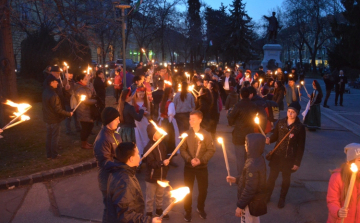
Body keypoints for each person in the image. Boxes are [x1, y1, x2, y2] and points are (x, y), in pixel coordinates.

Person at [106, 142, 162, 223]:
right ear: (131, 159)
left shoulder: (119, 171)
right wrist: (150, 221)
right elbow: (125, 216)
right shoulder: (125, 181)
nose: (140, 156)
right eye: (138, 154)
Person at [265, 102, 306, 208]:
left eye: (293, 112)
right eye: (289, 111)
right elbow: (275, 136)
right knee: (271, 178)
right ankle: (267, 196)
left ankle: (282, 198)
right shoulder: (281, 122)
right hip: (277, 155)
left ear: (297, 113)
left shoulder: (299, 128)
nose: (290, 114)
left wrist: (297, 162)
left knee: (286, 179)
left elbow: (301, 147)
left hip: (289, 157)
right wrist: (269, 139)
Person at [180, 110, 216, 222]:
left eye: (193, 119)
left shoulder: (206, 134)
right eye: (190, 119)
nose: (190, 121)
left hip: (202, 168)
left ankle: (200, 208)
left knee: (203, 190)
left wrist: (201, 160)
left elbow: (211, 150)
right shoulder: (186, 134)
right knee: (187, 190)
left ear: (200, 120)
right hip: (189, 167)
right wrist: (189, 159)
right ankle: (187, 211)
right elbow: (182, 149)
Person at [226, 133, 267, 223]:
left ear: (253, 145)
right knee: (255, 220)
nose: (245, 145)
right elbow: (251, 179)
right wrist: (236, 179)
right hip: (255, 201)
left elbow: (250, 188)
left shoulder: (252, 164)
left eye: (246, 143)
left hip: (249, 203)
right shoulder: (258, 159)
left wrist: (240, 206)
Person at [93, 107, 122, 223]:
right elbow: (105, 162)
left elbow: (119, 152)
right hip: (107, 181)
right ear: (109, 120)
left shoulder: (115, 134)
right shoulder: (103, 139)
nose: (119, 121)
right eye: (116, 119)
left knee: (116, 208)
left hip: (116, 178)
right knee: (110, 210)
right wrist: (123, 166)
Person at [227, 87, 259, 175]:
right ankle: (249, 175)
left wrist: (229, 115)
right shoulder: (254, 105)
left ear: (240, 95)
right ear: (249, 95)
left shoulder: (237, 105)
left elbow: (231, 118)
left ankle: (241, 177)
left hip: (239, 135)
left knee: (240, 157)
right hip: (250, 134)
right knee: (249, 157)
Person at [326, 143, 360, 223]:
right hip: (342, 220)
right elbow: (332, 200)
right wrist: (338, 211)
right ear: (349, 162)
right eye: (359, 160)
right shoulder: (337, 177)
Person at [42, 74, 73, 159]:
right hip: (54, 119)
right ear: (51, 83)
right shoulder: (53, 95)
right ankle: (54, 155)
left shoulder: (45, 92)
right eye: (56, 82)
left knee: (49, 136)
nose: (57, 83)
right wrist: (68, 114)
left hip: (47, 118)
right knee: (54, 137)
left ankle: (49, 154)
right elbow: (58, 110)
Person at [144, 125, 170, 219]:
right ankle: (149, 212)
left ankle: (159, 209)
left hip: (161, 176)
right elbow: (151, 163)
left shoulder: (162, 145)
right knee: (150, 197)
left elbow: (165, 156)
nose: (160, 134)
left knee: (160, 195)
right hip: (152, 177)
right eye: (157, 132)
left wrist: (167, 162)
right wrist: (162, 163)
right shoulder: (149, 147)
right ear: (152, 134)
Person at [74, 74, 98, 149]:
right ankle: (83, 144)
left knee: (90, 126)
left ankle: (86, 142)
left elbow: (91, 93)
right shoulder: (79, 89)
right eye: (85, 79)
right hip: (83, 111)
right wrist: (95, 101)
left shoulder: (85, 86)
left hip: (88, 110)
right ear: (81, 80)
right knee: (85, 128)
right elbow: (85, 100)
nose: (87, 80)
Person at [159, 87, 180, 164]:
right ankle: (169, 158)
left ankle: (164, 156)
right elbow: (171, 115)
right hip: (169, 123)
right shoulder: (170, 104)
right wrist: (170, 123)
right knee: (171, 140)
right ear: (170, 94)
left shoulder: (162, 102)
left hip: (163, 122)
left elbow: (160, 114)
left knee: (164, 140)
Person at [133, 87, 151, 156]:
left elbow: (149, 112)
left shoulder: (146, 101)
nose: (141, 96)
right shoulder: (133, 101)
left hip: (144, 121)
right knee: (138, 137)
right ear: (136, 94)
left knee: (145, 136)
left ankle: (146, 152)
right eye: (140, 95)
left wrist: (146, 112)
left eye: (143, 95)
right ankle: (139, 153)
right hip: (136, 121)